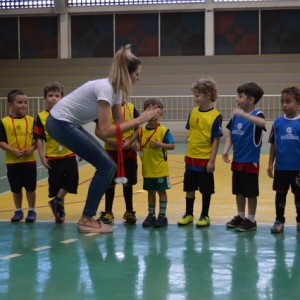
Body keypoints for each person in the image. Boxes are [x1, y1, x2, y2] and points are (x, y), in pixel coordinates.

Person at [45, 44, 161, 234]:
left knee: (109, 166)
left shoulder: (116, 92)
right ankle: (87, 219)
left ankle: (87, 216)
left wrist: (132, 141)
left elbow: (119, 124)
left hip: (68, 124)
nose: (138, 78)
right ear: (126, 73)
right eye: (137, 74)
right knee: (107, 166)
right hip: (59, 123)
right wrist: (141, 119)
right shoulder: (106, 88)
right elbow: (107, 130)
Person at [177, 78, 223, 227]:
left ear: (208, 95)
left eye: (198, 96)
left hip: (204, 159)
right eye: (194, 95)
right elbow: (191, 131)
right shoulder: (193, 112)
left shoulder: (216, 116)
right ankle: (189, 214)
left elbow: (216, 140)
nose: (195, 98)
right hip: (190, 158)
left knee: (205, 190)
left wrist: (212, 160)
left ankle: (204, 215)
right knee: (189, 188)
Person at [223, 82, 265, 232]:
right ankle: (240, 216)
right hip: (237, 161)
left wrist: (244, 115)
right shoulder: (236, 116)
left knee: (251, 192)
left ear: (251, 100)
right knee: (239, 191)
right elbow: (230, 134)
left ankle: (251, 219)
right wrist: (226, 149)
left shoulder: (257, 114)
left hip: (250, 162)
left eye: (240, 96)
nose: (236, 99)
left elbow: (262, 123)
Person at [34, 82, 79, 223]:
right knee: (57, 185)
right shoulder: (40, 117)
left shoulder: (67, 113)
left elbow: (76, 134)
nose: (53, 98)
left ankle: (57, 201)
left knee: (73, 179)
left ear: (62, 98)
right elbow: (39, 139)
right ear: (44, 98)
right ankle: (59, 209)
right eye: (50, 95)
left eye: (57, 96)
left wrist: (80, 150)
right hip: (52, 157)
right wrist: (42, 157)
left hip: (69, 154)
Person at [97, 94, 139, 224]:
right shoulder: (105, 109)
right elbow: (98, 131)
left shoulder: (131, 108)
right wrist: (112, 142)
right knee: (110, 182)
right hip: (111, 151)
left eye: (123, 93)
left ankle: (129, 211)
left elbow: (138, 128)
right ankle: (108, 211)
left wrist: (131, 142)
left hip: (128, 151)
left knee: (128, 182)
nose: (121, 96)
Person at [0, 89, 37, 222]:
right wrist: (12, 150)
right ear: (10, 104)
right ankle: (18, 210)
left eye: (25, 102)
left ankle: (32, 210)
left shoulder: (32, 120)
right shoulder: (4, 122)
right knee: (16, 188)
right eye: (20, 102)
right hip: (12, 161)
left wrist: (32, 148)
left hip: (29, 160)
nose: (23, 105)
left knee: (30, 187)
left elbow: (38, 140)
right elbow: (1, 141)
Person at [138, 97, 175, 228]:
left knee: (162, 192)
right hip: (147, 170)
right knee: (150, 192)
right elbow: (136, 145)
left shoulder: (164, 130)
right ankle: (151, 215)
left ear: (161, 113)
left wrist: (160, 145)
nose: (153, 116)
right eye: (150, 112)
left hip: (160, 169)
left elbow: (172, 146)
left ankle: (162, 215)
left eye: (156, 112)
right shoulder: (141, 130)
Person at [267, 86, 300, 233]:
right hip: (281, 167)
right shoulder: (277, 123)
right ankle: (279, 220)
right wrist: (270, 164)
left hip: (297, 168)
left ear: (298, 103)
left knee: (298, 195)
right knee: (280, 194)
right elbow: (273, 144)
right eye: (282, 102)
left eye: (288, 101)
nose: (284, 105)